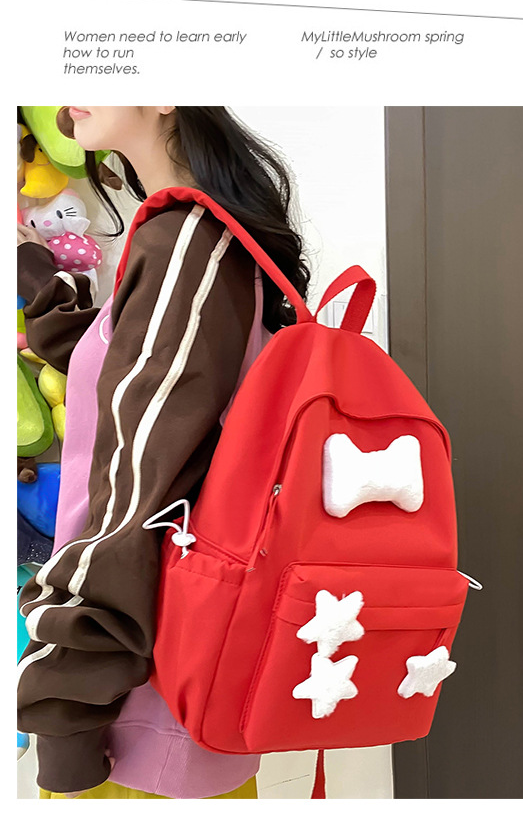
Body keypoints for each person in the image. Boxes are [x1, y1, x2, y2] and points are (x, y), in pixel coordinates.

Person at [17, 106, 311, 799]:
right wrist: (35, 275)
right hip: (170, 703)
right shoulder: (204, 240)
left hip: (133, 719)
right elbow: (123, 374)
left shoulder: (187, 243)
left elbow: (137, 495)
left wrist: (65, 716)